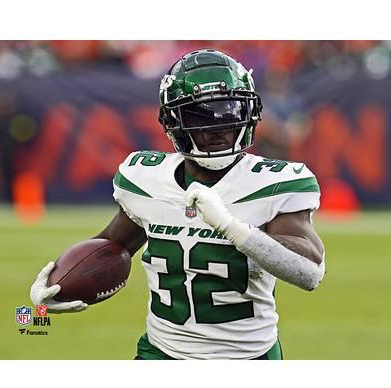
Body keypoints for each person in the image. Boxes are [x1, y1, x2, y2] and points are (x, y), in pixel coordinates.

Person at [30, 49, 325, 360]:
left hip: (248, 356)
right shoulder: (145, 178)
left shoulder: (275, 182)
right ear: (174, 122)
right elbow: (111, 246)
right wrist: (58, 282)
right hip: (162, 352)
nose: (219, 128)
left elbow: (310, 272)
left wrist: (231, 228)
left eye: (230, 111)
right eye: (200, 115)